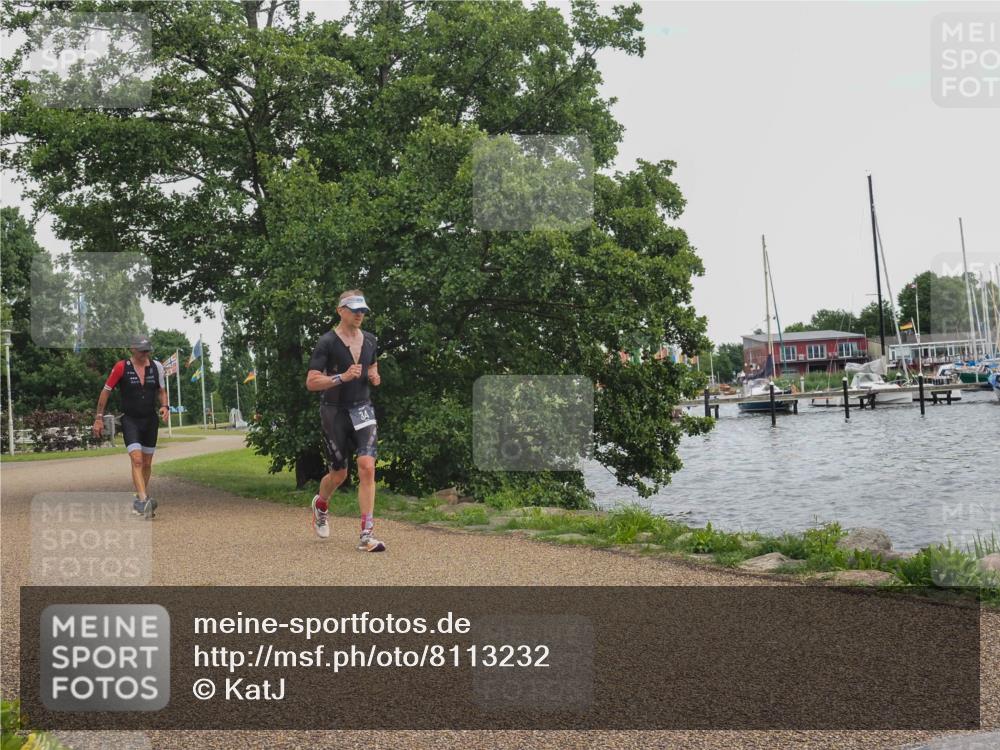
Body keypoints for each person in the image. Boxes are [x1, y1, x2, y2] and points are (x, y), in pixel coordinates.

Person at [305, 290, 384, 551]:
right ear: (341, 311)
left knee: (367, 466)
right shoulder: (326, 342)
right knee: (338, 473)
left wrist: (374, 376)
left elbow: (372, 365)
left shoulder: (371, 340)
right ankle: (321, 504)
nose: (360, 314)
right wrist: (341, 378)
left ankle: (366, 535)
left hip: (362, 408)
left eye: (363, 310)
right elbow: (312, 381)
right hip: (334, 411)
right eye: (354, 310)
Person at [93, 335, 169, 519]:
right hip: (131, 420)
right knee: (137, 460)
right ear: (133, 349)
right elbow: (106, 391)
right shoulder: (121, 367)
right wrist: (98, 417)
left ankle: (139, 499)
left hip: (150, 420)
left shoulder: (157, 367)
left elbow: (161, 390)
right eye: (142, 350)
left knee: (147, 463)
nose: (146, 354)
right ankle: (144, 500)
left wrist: (165, 406)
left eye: (148, 350)